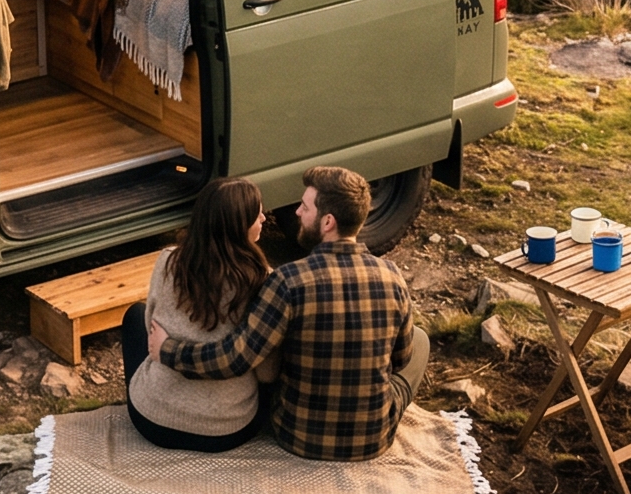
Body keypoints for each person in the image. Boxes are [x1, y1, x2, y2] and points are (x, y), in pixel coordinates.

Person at [150, 164, 429, 461]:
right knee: (420, 341)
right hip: (372, 440)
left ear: (328, 222)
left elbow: (236, 357)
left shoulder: (287, 281)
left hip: (297, 436)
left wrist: (169, 350)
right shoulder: (392, 276)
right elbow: (400, 360)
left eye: (305, 207)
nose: (296, 212)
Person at [120, 177, 279, 451]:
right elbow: (266, 371)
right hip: (226, 431)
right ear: (238, 225)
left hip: (151, 421)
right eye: (257, 214)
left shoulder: (169, 261)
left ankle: (158, 393)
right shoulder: (262, 279)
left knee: (135, 315)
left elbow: (151, 329)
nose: (264, 218)